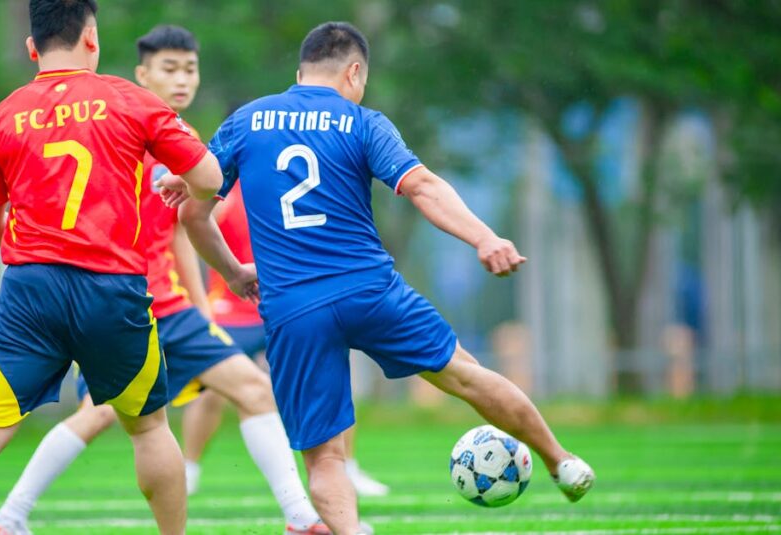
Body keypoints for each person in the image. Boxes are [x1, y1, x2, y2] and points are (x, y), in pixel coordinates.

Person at [175, 21, 596, 535]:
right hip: (368, 290)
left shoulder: (244, 121)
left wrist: (234, 272)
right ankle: (561, 461)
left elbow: (193, 217)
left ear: (299, 71)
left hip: (293, 309)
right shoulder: (362, 122)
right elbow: (421, 186)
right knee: (465, 373)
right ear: (354, 72)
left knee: (325, 459)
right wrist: (484, 237)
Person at [0, 25, 327, 535]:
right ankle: (9, 516)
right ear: (142, 73)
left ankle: (299, 516)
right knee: (97, 416)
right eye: (169, 68)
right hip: (122, 303)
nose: (182, 78)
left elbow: (179, 230)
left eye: (190, 68)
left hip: (167, 305)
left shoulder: (175, 140)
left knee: (253, 390)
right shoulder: (121, 124)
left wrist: (203, 305)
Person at [0, 3, 225, 535]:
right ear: (92, 38)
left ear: (32, 47)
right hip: (112, 289)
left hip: (29, 291)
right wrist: (184, 186)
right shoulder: (130, 99)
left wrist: (39, 238)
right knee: (148, 429)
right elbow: (209, 177)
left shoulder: (0, 118)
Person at [193, 185, 391, 497]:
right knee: (211, 391)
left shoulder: (284, 183)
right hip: (231, 308)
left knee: (330, 377)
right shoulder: (224, 189)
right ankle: (189, 470)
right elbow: (193, 222)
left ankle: (347, 466)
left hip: (285, 303)